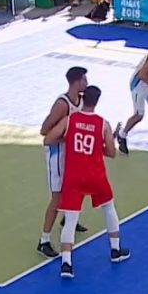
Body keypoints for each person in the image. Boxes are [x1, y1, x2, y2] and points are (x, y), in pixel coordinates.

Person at [44, 86, 131, 279]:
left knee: (71, 219)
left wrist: (68, 140)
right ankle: (115, 250)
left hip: (74, 177)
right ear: (97, 101)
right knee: (109, 208)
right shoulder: (103, 124)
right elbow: (111, 153)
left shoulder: (69, 120)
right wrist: (101, 145)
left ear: (82, 99)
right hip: (96, 176)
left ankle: (66, 264)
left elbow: (48, 139)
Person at [37, 67, 90, 259]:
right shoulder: (62, 104)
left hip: (72, 154)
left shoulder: (82, 100)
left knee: (76, 188)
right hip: (57, 155)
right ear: (76, 82)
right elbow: (44, 131)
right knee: (57, 198)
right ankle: (43, 241)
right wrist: (68, 137)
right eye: (84, 80)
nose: (86, 83)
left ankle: (68, 220)